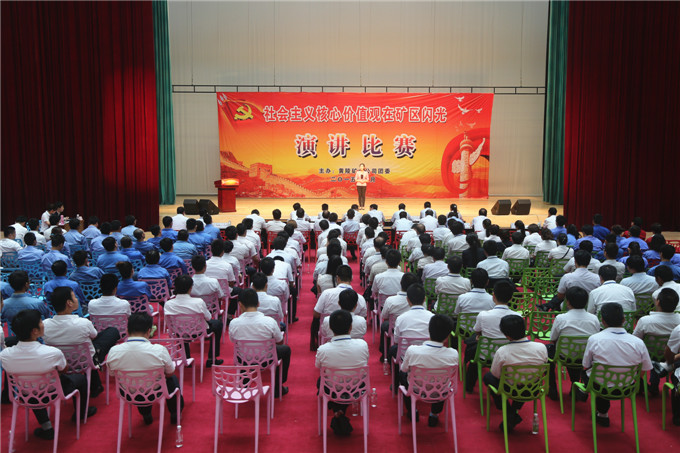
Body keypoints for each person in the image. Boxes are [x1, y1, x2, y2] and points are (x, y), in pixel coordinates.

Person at [0, 309, 95, 440]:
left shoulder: (5, 355)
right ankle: (81, 413)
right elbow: (64, 369)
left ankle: (47, 427)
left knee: (30, 384)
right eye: (40, 322)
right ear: (34, 331)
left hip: (24, 394)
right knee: (81, 379)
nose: (43, 324)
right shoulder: (52, 352)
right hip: (52, 393)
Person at [581, 302, 652, 427]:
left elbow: (585, 364)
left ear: (602, 321)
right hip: (627, 387)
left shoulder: (595, 339)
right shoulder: (638, 342)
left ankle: (599, 410)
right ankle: (602, 413)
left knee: (590, 372)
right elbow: (645, 368)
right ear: (624, 319)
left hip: (599, 386)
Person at [107, 312, 184, 425]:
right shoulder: (159, 350)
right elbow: (170, 372)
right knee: (172, 380)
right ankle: (175, 413)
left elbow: (112, 374)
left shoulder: (114, 351)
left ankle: (146, 414)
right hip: (155, 392)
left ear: (127, 331)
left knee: (136, 381)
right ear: (149, 331)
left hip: (128, 393)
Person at [43, 287, 119, 394]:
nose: (77, 299)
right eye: (74, 297)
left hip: (60, 363)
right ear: (69, 303)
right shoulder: (83, 323)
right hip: (84, 361)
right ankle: (96, 362)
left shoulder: (45, 325)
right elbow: (94, 336)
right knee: (112, 332)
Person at [483, 315, 548, 431]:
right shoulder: (541, 347)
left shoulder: (503, 351)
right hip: (533, 388)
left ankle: (510, 413)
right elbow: (543, 367)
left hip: (510, 389)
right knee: (523, 381)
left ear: (506, 335)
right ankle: (512, 413)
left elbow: (496, 374)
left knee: (488, 377)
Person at [315, 309, 369, 436]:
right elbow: (365, 362)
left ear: (330, 328)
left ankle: (337, 410)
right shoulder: (362, 345)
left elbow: (318, 366)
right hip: (356, 388)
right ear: (350, 327)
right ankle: (339, 412)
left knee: (321, 381)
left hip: (332, 389)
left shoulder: (323, 349)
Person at [229, 288, 291, 397]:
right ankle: (278, 387)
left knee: (243, 351)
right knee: (286, 350)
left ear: (240, 305)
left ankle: (244, 384)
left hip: (244, 359)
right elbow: (280, 341)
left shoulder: (234, 323)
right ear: (258, 303)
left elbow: (233, 340)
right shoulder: (269, 322)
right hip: (266, 360)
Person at [400, 314, 458, 427]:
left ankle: (413, 410)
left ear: (429, 330)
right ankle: (434, 414)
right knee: (443, 381)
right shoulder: (453, 354)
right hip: (440, 391)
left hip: (416, 389)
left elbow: (404, 369)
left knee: (403, 375)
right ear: (448, 336)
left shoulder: (413, 351)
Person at [546, 287, 600, 400]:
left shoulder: (561, 318)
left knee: (547, 351)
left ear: (568, 302)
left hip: (564, 356)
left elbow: (552, 339)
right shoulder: (594, 319)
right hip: (585, 357)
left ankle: (552, 388)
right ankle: (575, 385)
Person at [165, 275, 223, 367]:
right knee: (218, 324)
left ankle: (186, 357)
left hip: (179, 332)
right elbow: (208, 318)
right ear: (191, 288)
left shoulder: (168, 304)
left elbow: (169, 323)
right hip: (198, 332)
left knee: (180, 326)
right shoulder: (198, 302)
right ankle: (212, 358)